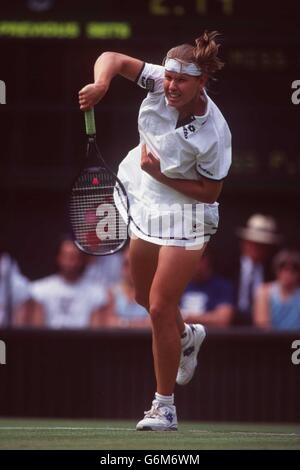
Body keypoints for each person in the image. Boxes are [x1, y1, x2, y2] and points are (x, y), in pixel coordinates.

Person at [79, 30, 231, 431]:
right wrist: (101, 83)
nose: (171, 85)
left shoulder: (214, 133)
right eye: (169, 77)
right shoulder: (158, 81)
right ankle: (186, 335)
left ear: (202, 82)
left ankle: (164, 407)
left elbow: (210, 191)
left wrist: (161, 173)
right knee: (143, 297)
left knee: (161, 305)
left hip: (187, 210)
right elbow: (111, 55)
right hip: (144, 192)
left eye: (181, 80)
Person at [29, 238, 111, 329]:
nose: (70, 262)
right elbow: (37, 330)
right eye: (66, 256)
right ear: (58, 257)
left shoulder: (96, 293)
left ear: (81, 260)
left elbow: (96, 332)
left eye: (74, 257)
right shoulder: (40, 289)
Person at [234, 214, 282, 325]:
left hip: (263, 327)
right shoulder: (229, 267)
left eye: (262, 244)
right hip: (230, 328)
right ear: (244, 243)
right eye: (253, 243)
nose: (256, 248)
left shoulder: (273, 272)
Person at [180, 249, 234, 326]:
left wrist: (187, 316)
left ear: (208, 260)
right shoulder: (180, 285)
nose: (196, 264)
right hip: (182, 335)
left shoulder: (222, 286)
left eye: (200, 259)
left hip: (211, 336)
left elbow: (223, 319)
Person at [253, 250, 300, 330]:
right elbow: (262, 324)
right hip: (272, 340)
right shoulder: (264, 292)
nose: (288, 274)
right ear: (277, 271)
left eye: (293, 271)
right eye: (284, 269)